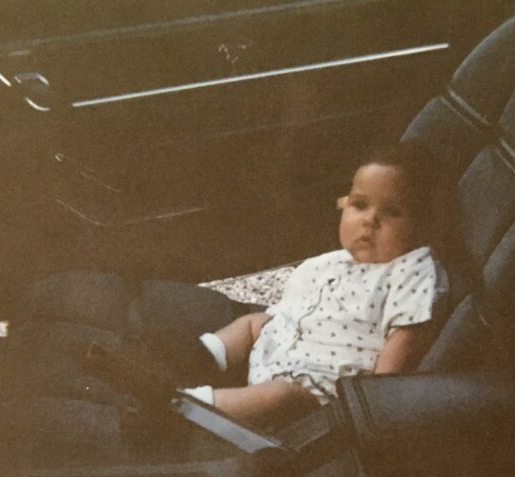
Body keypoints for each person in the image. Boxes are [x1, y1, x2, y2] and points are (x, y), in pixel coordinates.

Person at [158, 143, 454, 426]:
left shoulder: (413, 273)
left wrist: (370, 404)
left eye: (391, 212)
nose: (370, 221)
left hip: (317, 392)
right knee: (252, 323)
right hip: (285, 346)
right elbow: (291, 311)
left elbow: (390, 372)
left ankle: (186, 408)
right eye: (360, 205)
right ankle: (195, 359)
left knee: (280, 395)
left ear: (422, 226)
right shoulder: (339, 261)